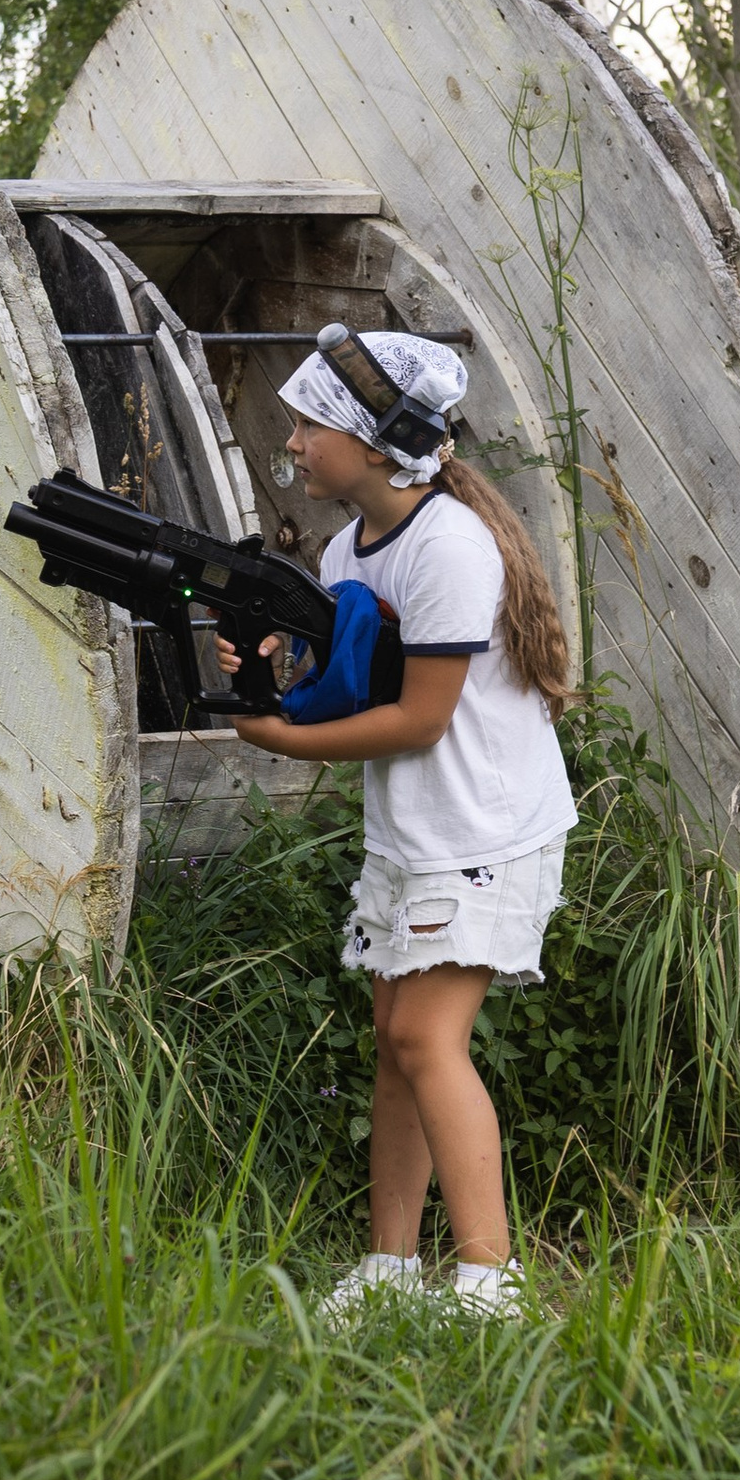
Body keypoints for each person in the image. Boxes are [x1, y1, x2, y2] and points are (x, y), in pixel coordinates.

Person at [216, 329, 575, 1320]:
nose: (291, 442)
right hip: (418, 829)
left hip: (483, 829)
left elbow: (419, 718)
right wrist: (270, 666)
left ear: (375, 447)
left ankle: (486, 1279)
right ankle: (387, 1271)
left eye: (308, 424)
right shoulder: (347, 548)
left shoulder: (449, 548)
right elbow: (347, 684)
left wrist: (276, 740)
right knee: (393, 1041)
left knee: (425, 1039)